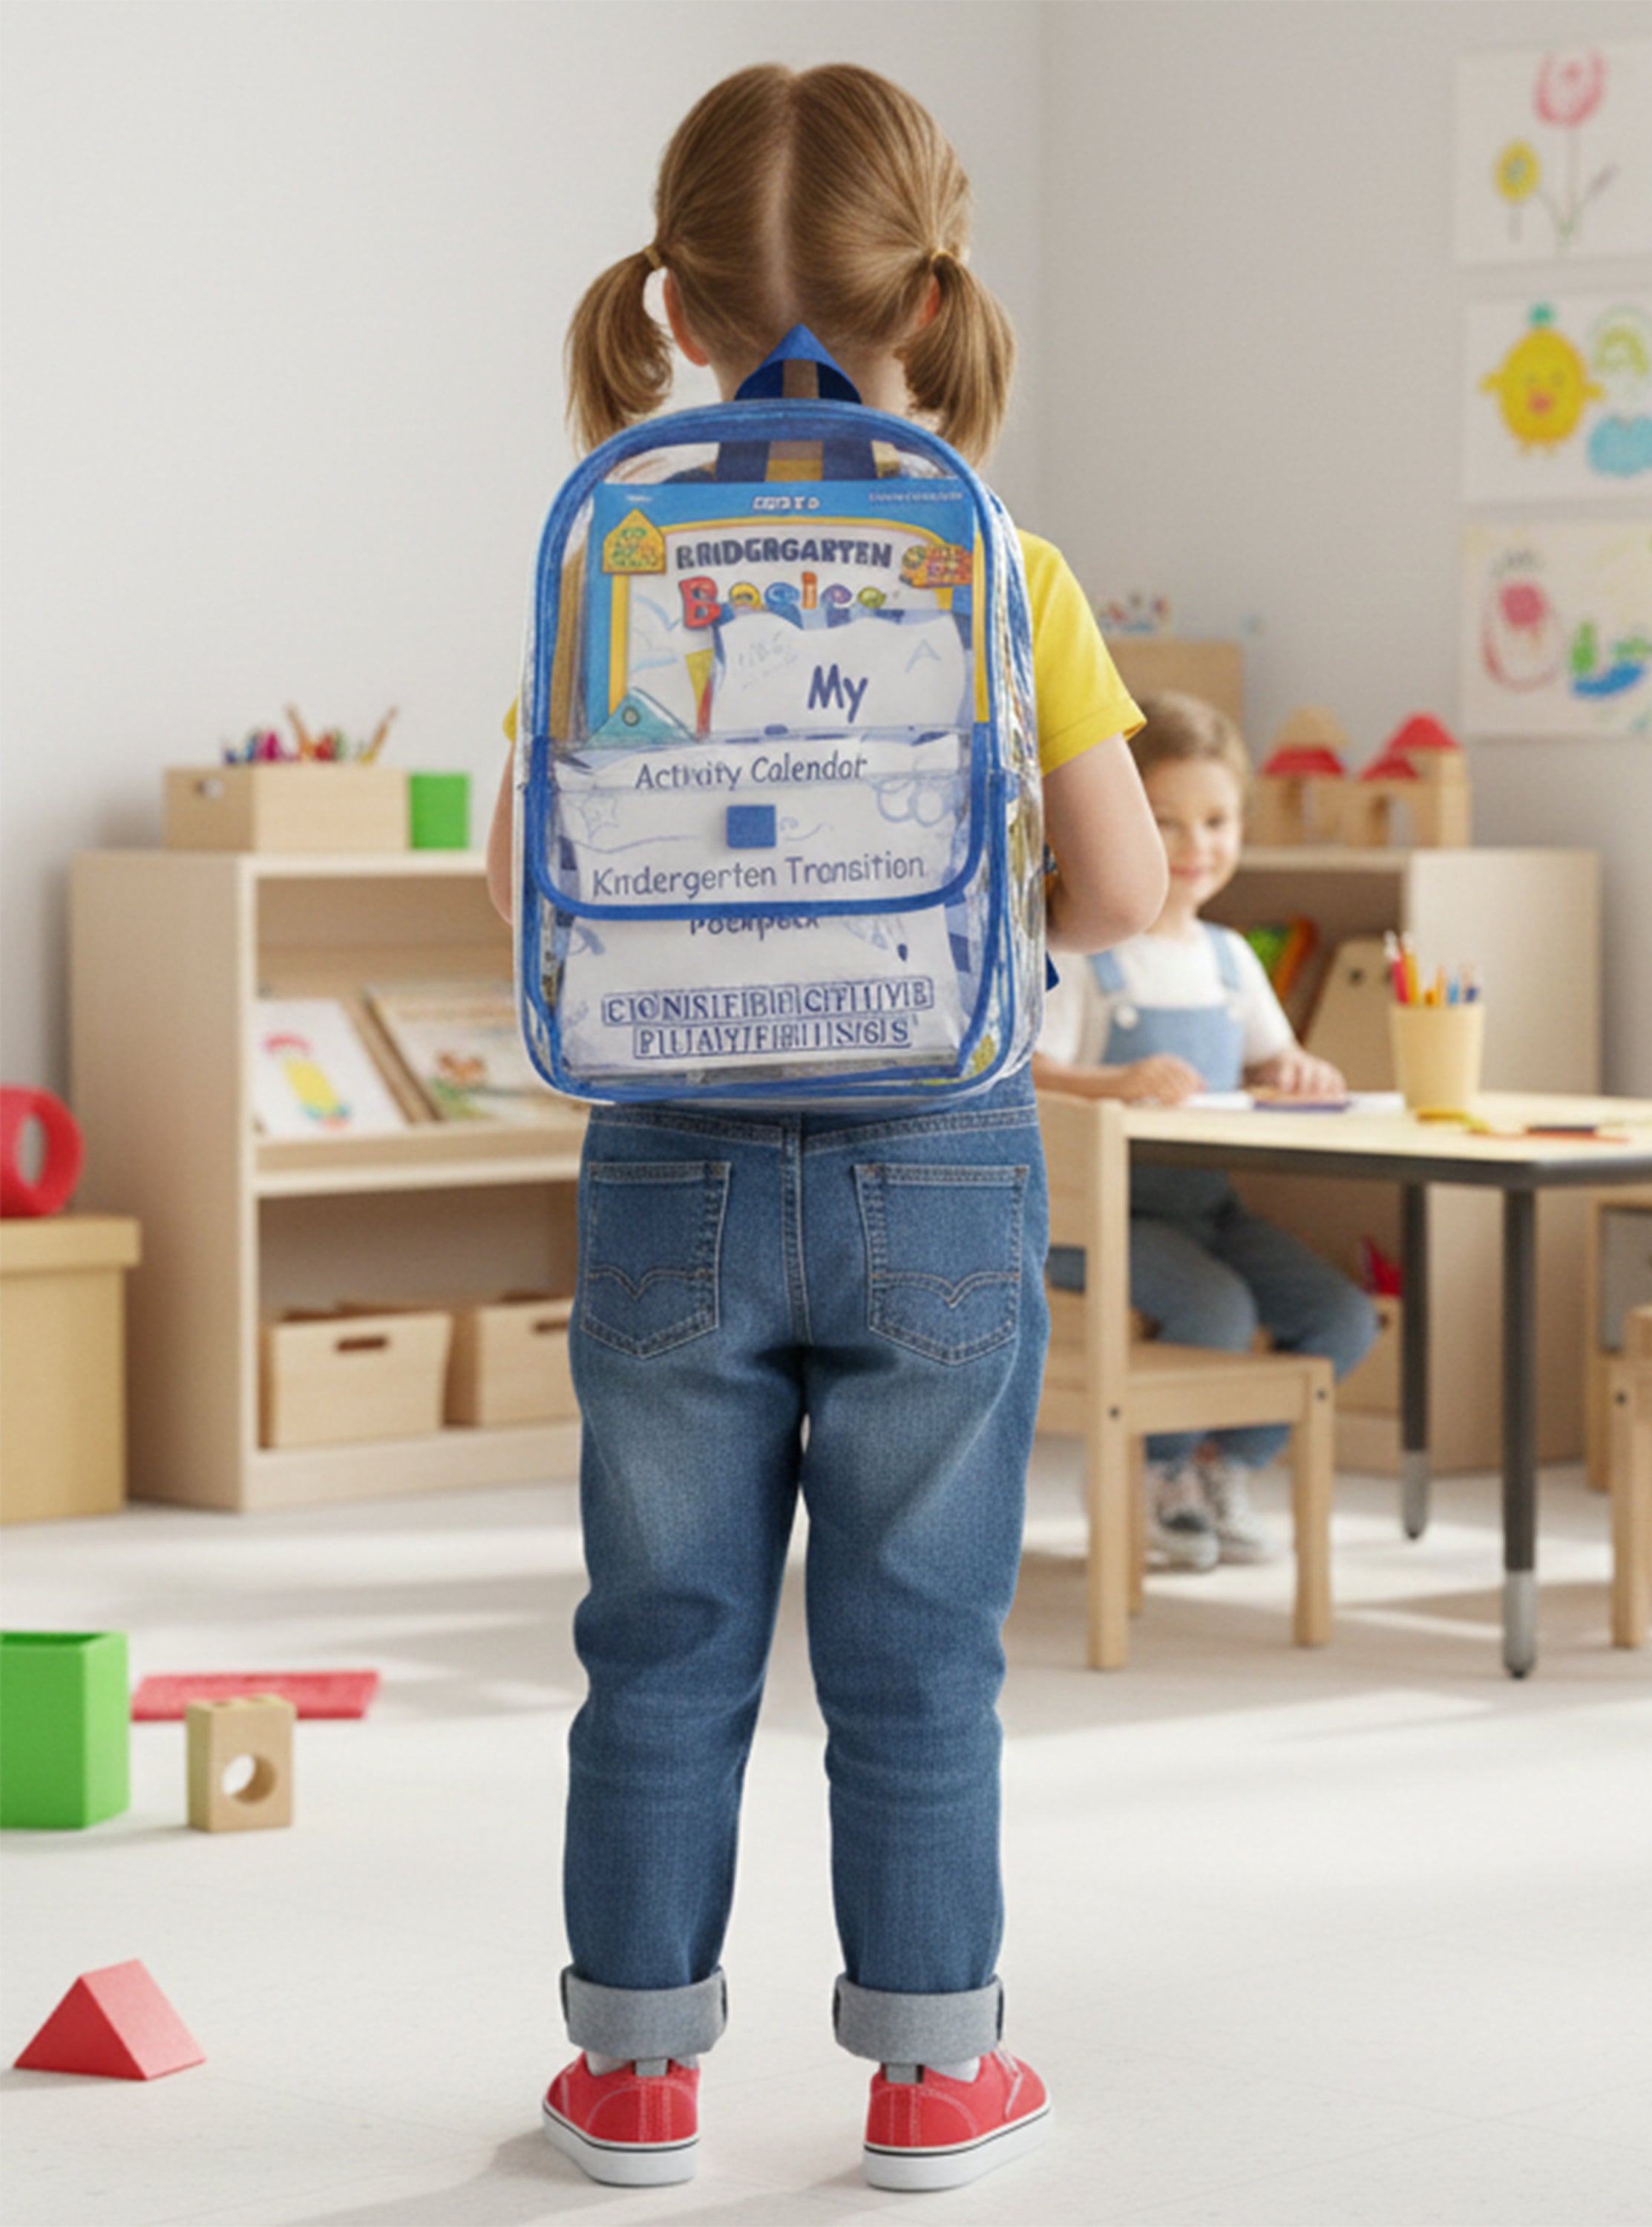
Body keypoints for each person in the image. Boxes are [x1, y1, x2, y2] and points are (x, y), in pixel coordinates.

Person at [484, 62, 1166, 2196]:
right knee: (919, 1644)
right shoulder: (1005, 563)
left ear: (676, 310)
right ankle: (938, 2078)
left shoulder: (620, 547)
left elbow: (525, 889)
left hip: (671, 1154)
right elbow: (1130, 891)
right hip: (941, 1153)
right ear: (932, 296)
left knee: (661, 1633)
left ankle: (633, 2078)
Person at [1032, 692, 1380, 1570]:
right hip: (1093, 1222)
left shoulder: (1230, 958)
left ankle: (1222, 1465)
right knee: (1214, 1307)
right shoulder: (1080, 949)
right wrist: (1113, 1083)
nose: (1196, 848)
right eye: (1165, 823)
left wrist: (1297, 1073)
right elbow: (1030, 1074)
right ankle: (1154, 1473)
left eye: (1217, 821)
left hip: (1205, 1209)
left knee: (1340, 1316)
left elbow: (1276, 1062)